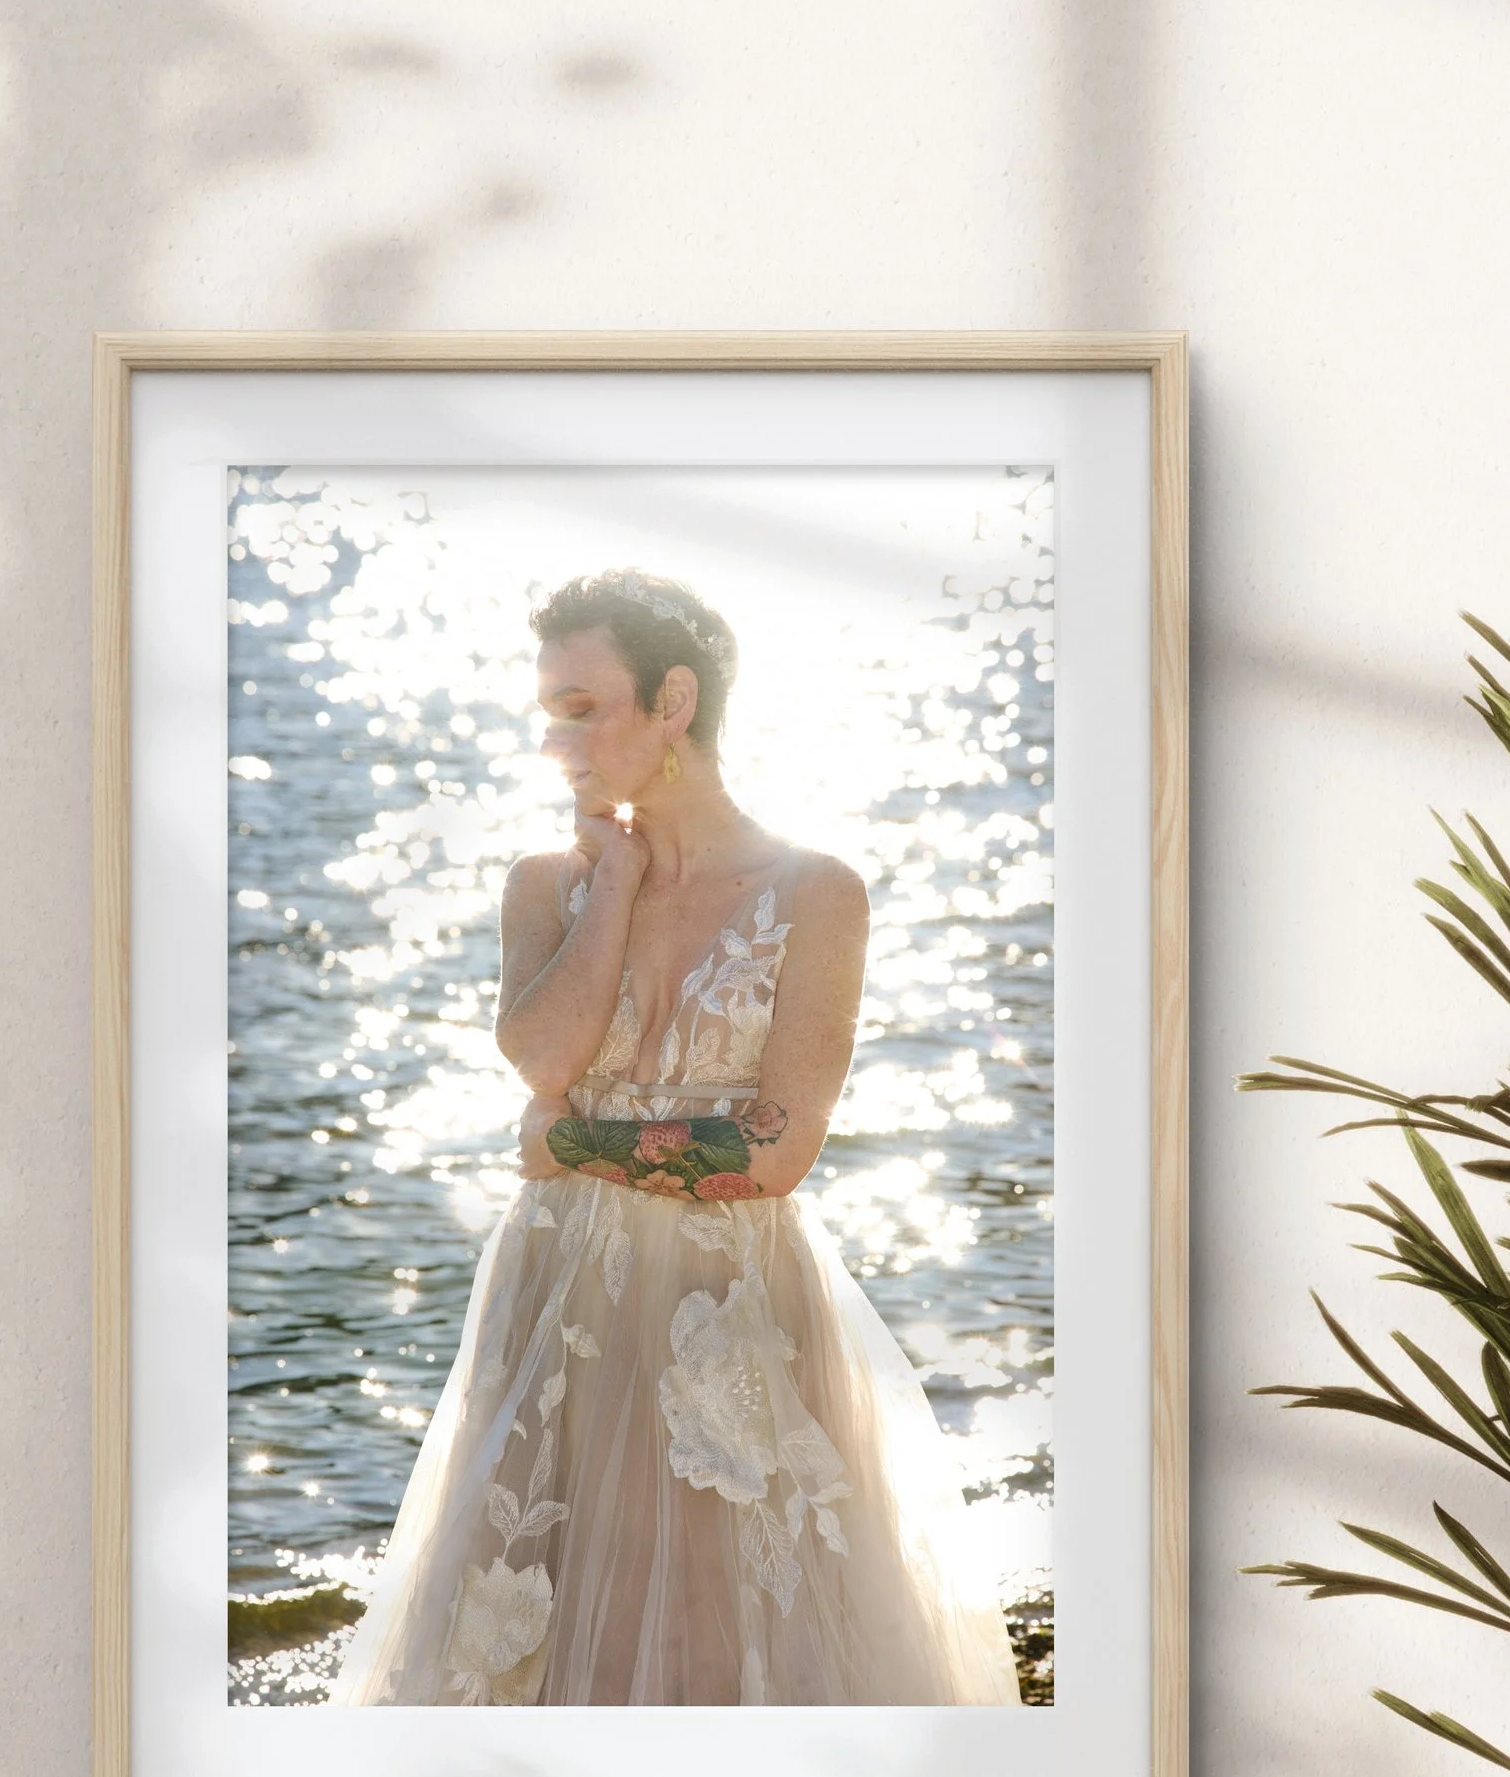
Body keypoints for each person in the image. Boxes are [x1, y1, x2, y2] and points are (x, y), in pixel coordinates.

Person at [331, 569, 1021, 1706]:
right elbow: (545, 1061)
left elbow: (770, 1155)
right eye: (548, 708)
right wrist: (613, 887)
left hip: (728, 1307)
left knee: (719, 1628)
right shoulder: (545, 887)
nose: (555, 737)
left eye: (581, 706)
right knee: (541, 1624)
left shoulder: (817, 895)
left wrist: (573, 1148)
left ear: (674, 701)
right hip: (557, 1297)